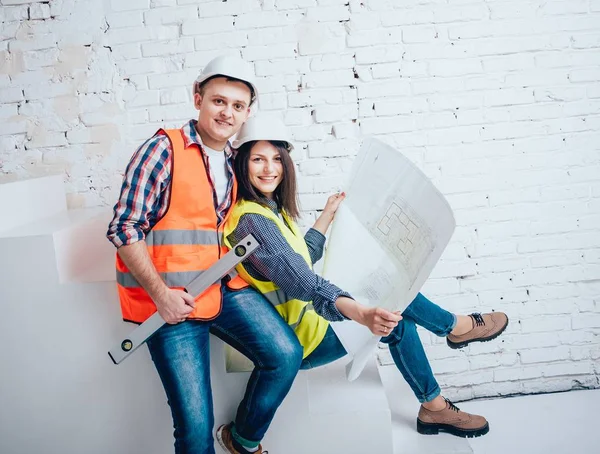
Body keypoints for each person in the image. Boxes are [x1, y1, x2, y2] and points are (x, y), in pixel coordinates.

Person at [222, 115, 510, 440]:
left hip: (313, 324)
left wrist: (327, 216)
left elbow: (300, 258)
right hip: (305, 340)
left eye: (276, 159)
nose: (269, 168)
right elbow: (303, 282)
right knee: (393, 302)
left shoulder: (269, 209)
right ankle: (455, 332)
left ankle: (434, 403)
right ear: (242, 163)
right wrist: (361, 313)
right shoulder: (251, 220)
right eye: (258, 159)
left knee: (394, 307)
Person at [107, 56, 302, 454]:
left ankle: (242, 438)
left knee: (285, 354)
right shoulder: (162, 150)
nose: (227, 112)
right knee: (195, 429)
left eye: (237, 105)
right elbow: (124, 228)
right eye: (218, 101)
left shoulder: (235, 161)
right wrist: (162, 296)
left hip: (221, 286)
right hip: (170, 302)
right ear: (198, 99)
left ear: (247, 112)